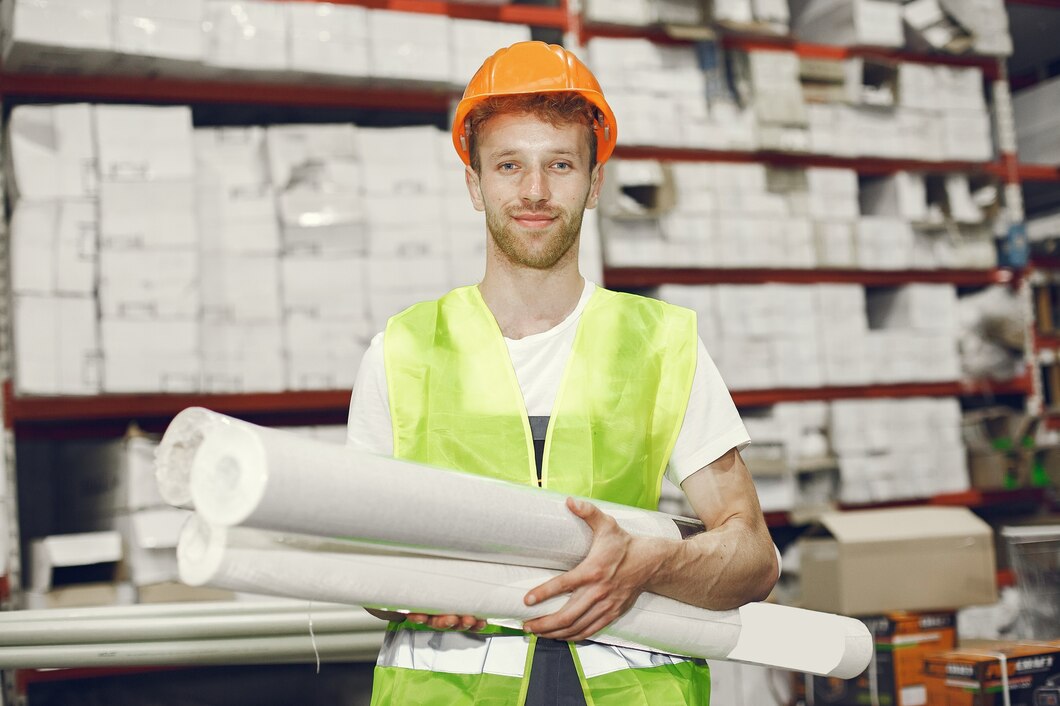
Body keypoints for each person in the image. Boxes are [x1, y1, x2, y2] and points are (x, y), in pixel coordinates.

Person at [346, 40, 778, 706]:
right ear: (474, 183)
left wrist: (657, 561)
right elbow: (362, 565)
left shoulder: (661, 345)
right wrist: (421, 588)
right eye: (509, 165)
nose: (535, 192)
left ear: (595, 182)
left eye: (561, 165)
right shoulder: (401, 352)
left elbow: (753, 557)